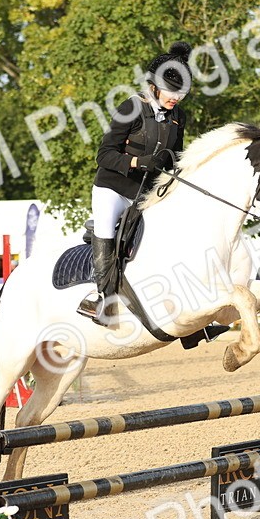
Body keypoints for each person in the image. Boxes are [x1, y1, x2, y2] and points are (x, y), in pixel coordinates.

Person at [79, 42, 191, 325]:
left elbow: (176, 155)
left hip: (147, 193)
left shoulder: (178, 117)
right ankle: (101, 298)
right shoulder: (131, 106)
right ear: (154, 86)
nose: (176, 98)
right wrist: (136, 163)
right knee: (106, 228)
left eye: (182, 93)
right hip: (114, 188)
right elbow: (103, 154)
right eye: (172, 92)